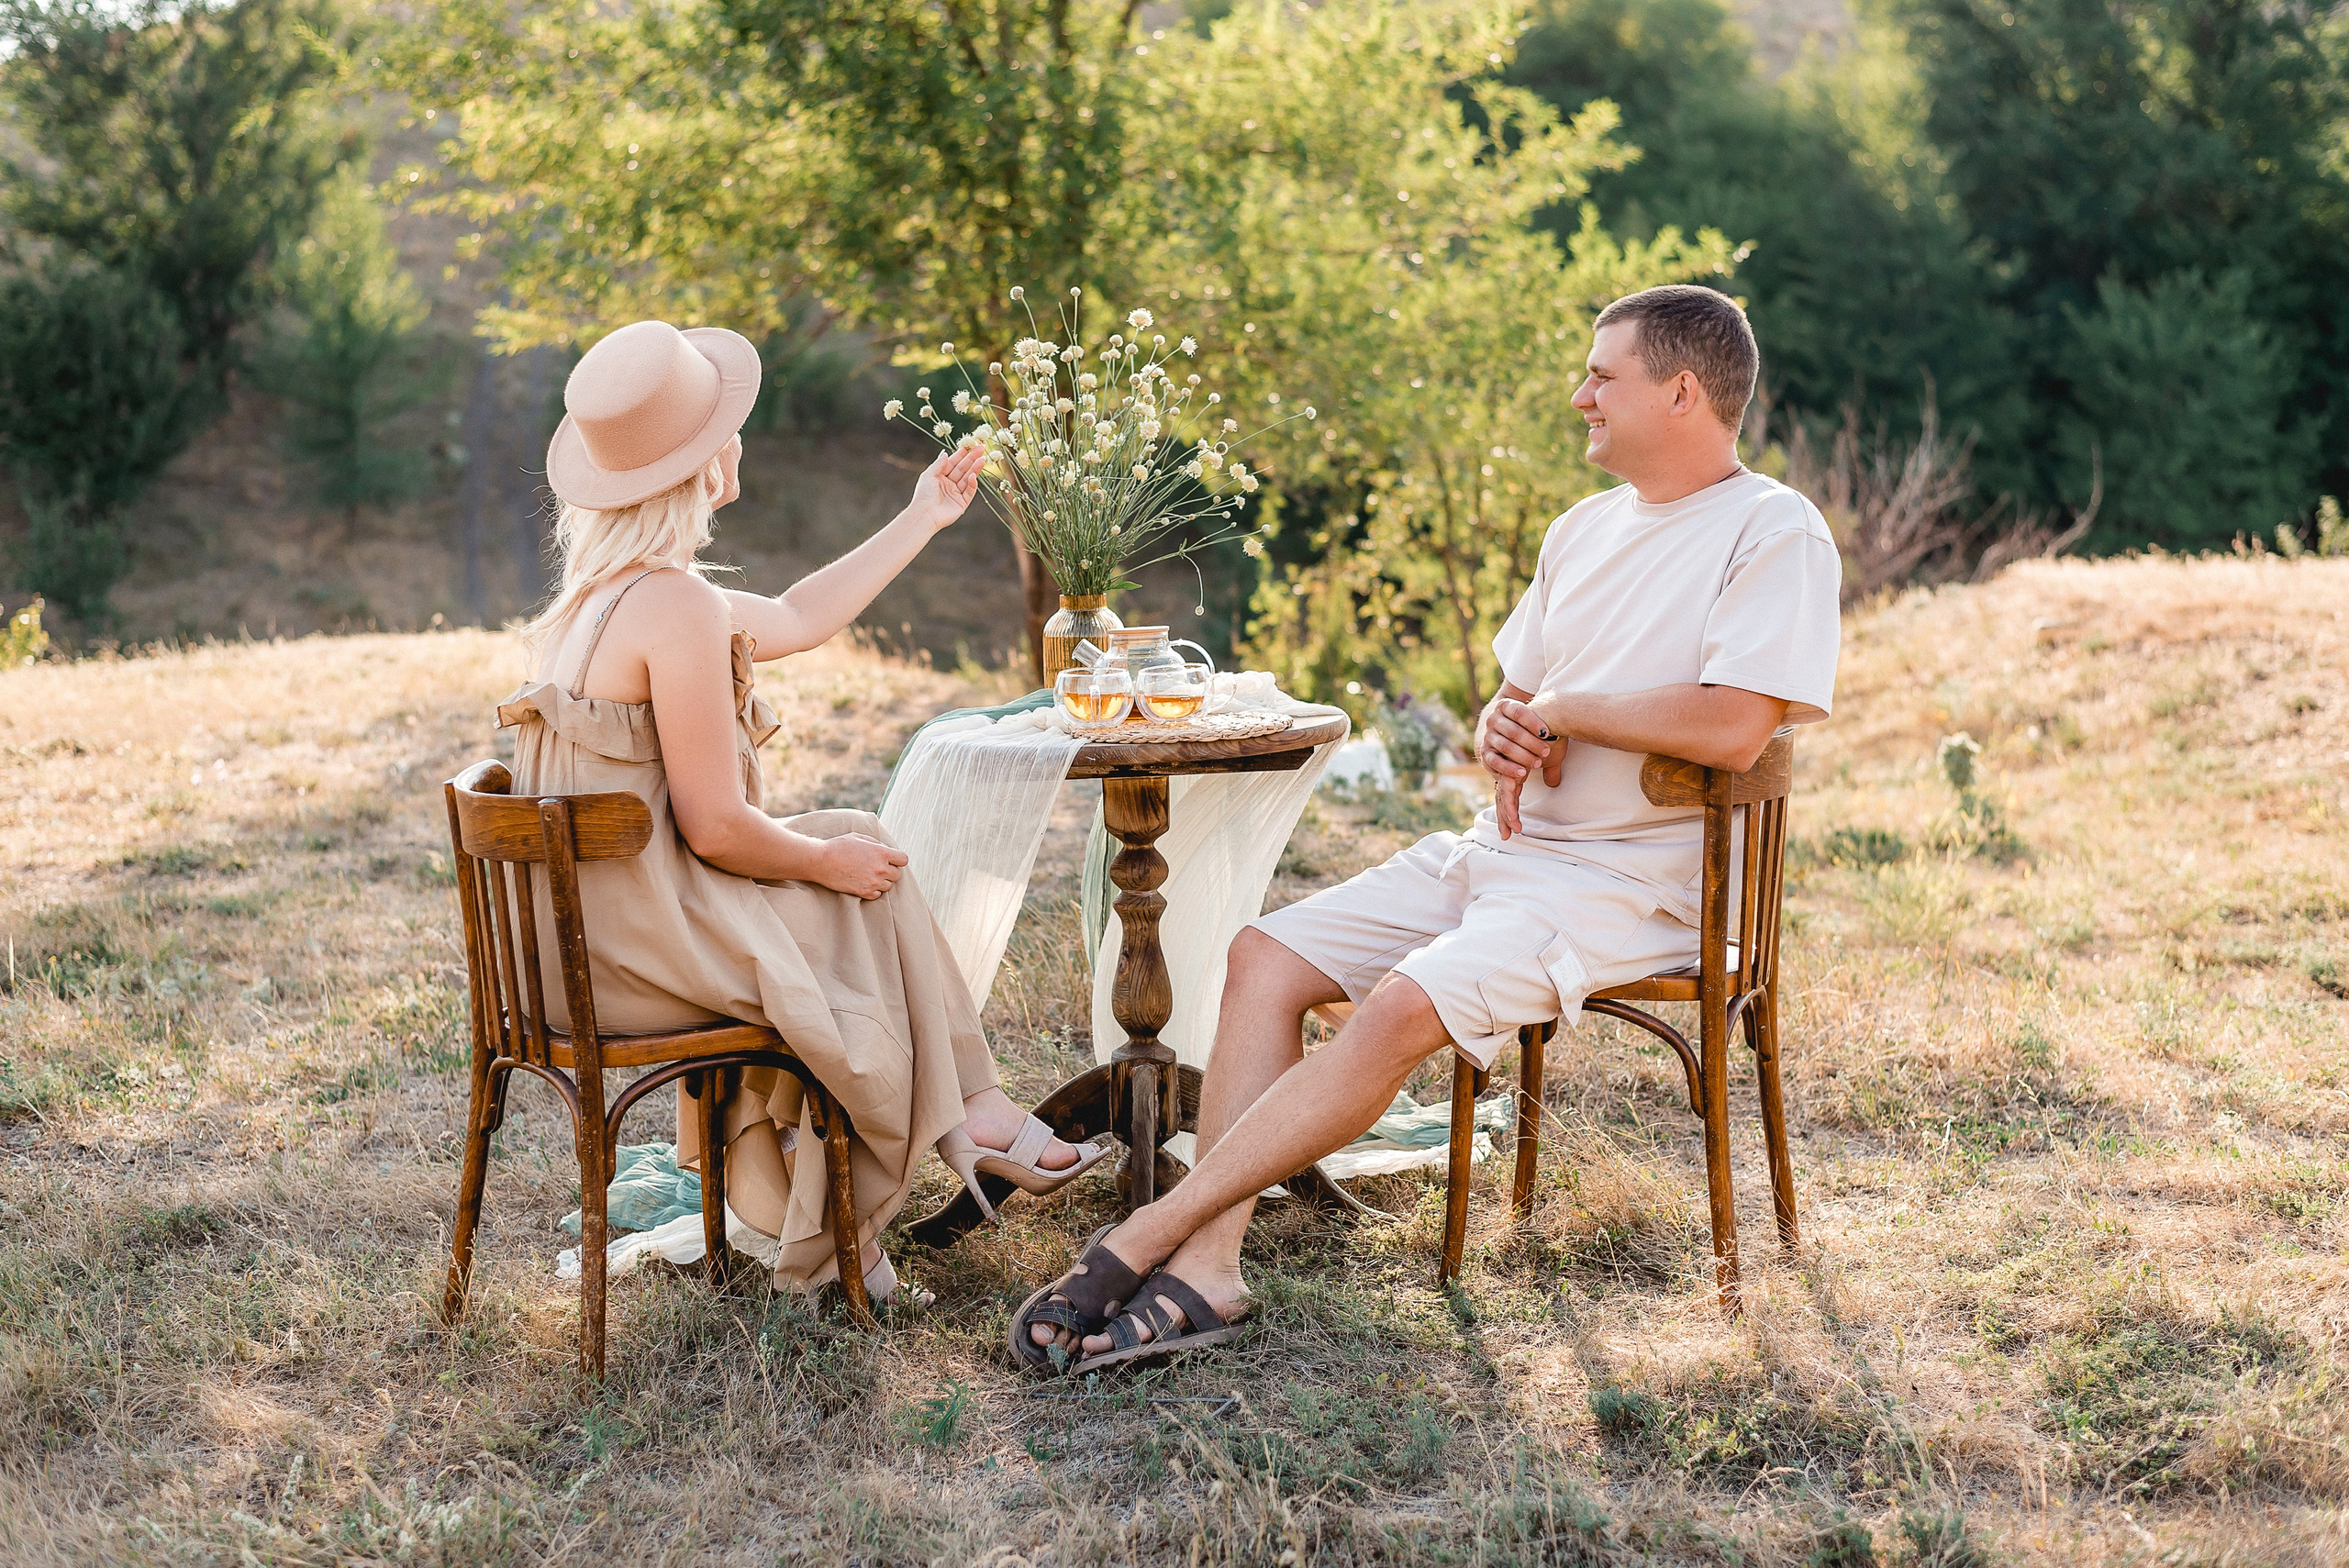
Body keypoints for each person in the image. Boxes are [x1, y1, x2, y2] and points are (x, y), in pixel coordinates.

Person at [1014, 284, 1843, 1371]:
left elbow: (1736, 725)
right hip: (1501, 856)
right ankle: (1210, 1271)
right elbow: (1520, 696)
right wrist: (1512, 727)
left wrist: (1562, 713)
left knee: (1399, 1006)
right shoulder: (1580, 528)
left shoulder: (1771, 528)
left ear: (1682, 391)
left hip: (1629, 889)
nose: (1579, 394)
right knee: (1262, 955)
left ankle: (1143, 1236)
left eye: (1604, 374)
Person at [497, 319, 1109, 1301]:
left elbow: (796, 616)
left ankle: (970, 1116)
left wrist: (923, 515)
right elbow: (717, 828)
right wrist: (823, 871)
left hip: (580, 941)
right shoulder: (677, 608)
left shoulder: (609, 597)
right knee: (847, 890)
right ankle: (876, 1199)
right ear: (703, 463)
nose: (740, 439)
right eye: (727, 425)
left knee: (857, 837)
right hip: (625, 957)